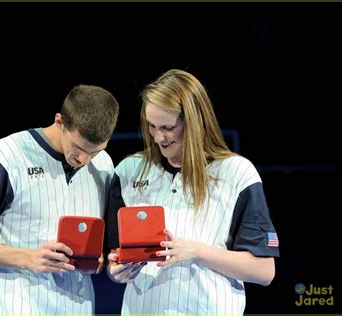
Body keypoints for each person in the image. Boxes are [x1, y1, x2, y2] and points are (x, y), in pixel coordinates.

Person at [105, 69, 279, 314]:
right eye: (151, 126)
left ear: (194, 122)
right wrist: (116, 271)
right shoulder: (129, 171)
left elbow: (264, 271)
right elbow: (115, 257)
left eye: (167, 127)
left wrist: (196, 251)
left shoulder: (237, 173)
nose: (158, 137)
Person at [0, 84, 119, 315]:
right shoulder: (3, 158)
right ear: (59, 121)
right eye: (78, 147)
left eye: (94, 151)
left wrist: (102, 261)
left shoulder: (104, 164)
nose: (85, 159)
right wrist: (28, 258)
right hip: (16, 306)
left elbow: (105, 250)